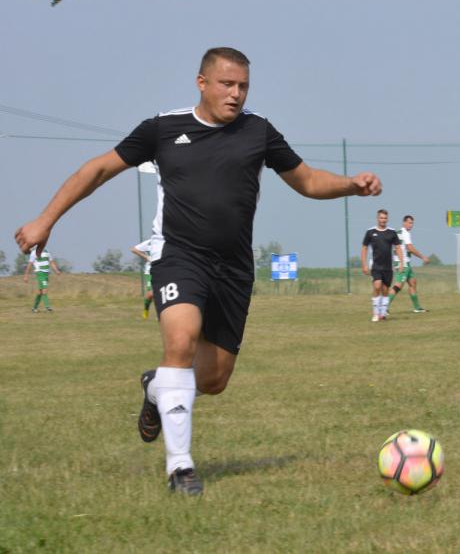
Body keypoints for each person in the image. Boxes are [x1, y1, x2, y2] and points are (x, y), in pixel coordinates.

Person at [15, 47, 382, 495]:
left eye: (243, 86)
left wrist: (351, 185)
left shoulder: (259, 131)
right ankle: (181, 468)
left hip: (234, 267)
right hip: (178, 254)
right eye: (227, 84)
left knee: (212, 379)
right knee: (181, 340)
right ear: (202, 83)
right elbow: (97, 170)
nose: (236, 94)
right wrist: (45, 220)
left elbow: (306, 181)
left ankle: (157, 387)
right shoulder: (162, 129)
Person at [361, 209, 404, 322]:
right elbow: (364, 248)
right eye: (381, 218)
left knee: (385, 290)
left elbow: (398, 247)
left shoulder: (392, 232)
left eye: (385, 218)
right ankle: (375, 314)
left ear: (387, 219)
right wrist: (364, 265)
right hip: (375, 266)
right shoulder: (370, 232)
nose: (383, 220)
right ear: (377, 218)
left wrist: (401, 263)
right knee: (377, 286)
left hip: (388, 267)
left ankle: (383, 313)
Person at [388, 214, 430, 314]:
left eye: (412, 223)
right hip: (403, 263)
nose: (411, 225)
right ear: (404, 222)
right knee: (398, 285)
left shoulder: (398, 231)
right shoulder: (405, 233)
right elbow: (410, 248)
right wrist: (423, 257)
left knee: (413, 282)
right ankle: (383, 308)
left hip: (402, 262)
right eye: (409, 223)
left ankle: (417, 308)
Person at [23, 246, 62, 312]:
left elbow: (51, 262)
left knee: (40, 292)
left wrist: (56, 270)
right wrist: (26, 275)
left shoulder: (47, 252)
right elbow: (30, 264)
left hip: (46, 274)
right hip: (40, 273)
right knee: (45, 289)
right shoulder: (34, 253)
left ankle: (34, 308)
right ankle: (47, 307)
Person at [131, 238, 156, 319]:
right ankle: (146, 309)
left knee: (160, 294)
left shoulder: (166, 242)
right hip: (149, 272)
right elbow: (134, 249)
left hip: (162, 271)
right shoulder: (149, 242)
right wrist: (146, 257)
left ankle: (160, 314)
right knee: (151, 294)